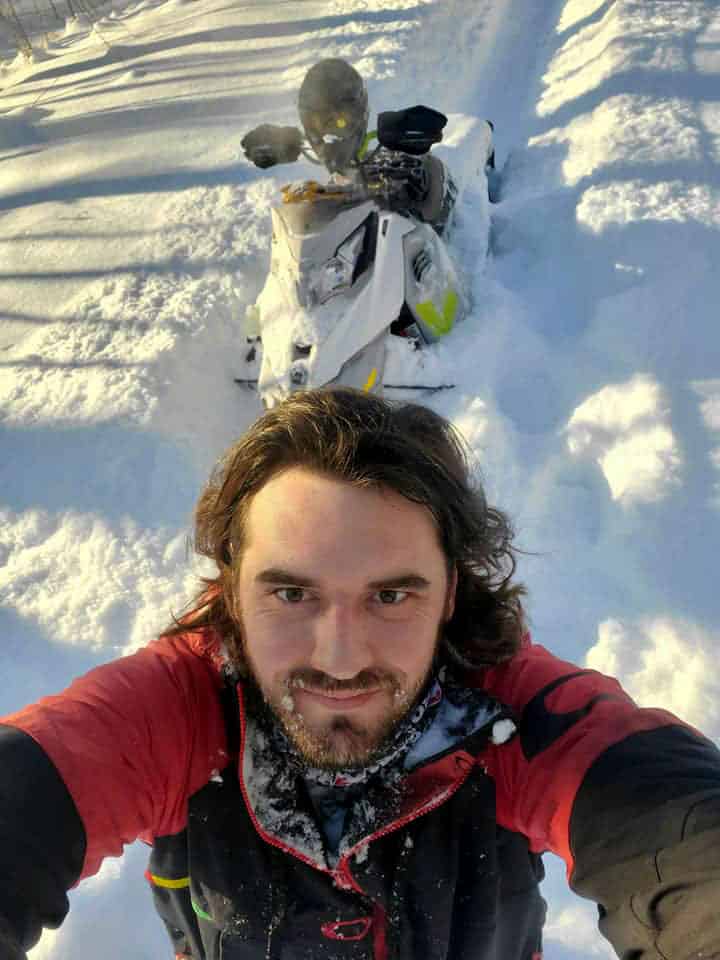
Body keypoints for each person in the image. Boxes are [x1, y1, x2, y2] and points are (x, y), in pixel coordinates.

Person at [2, 387, 720, 960]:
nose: (340, 658)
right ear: (233, 587)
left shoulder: (513, 713)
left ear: (451, 594)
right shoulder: (176, 709)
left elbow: (667, 821)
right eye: (291, 594)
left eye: (391, 595)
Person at [240, 58, 475, 235]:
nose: (326, 133)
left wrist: (409, 175)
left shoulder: (388, 151)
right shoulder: (330, 173)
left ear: (359, 116)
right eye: (316, 122)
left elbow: (431, 193)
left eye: (338, 121)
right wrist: (282, 144)